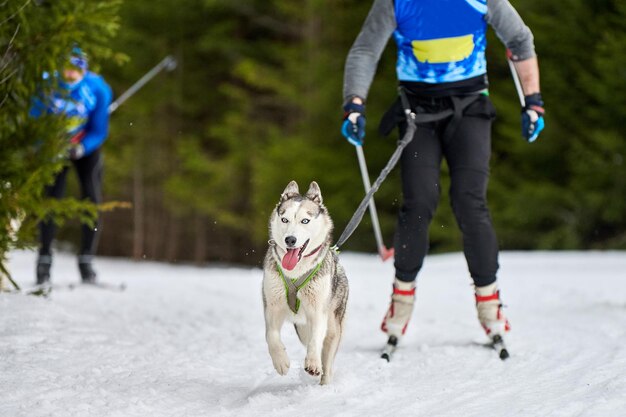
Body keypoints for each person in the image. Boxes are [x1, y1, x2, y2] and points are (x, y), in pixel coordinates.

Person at [341, 0, 545, 345]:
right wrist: (354, 104)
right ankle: (401, 298)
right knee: (419, 202)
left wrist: (533, 101)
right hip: (417, 112)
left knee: (469, 201)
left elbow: (520, 40)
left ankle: (489, 302)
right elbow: (365, 51)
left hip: (470, 109)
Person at [30, 46, 113, 285]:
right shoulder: (46, 86)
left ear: (84, 70)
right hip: (53, 145)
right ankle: (44, 262)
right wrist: (48, 145)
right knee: (51, 200)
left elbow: (99, 130)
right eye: (67, 68)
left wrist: (82, 147)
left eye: (77, 69)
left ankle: (86, 262)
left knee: (91, 199)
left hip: (85, 148)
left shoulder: (97, 88)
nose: (70, 74)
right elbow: (35, 122)